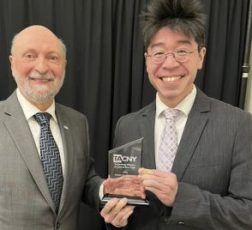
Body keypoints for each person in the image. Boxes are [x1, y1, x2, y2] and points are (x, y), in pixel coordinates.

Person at [0, 25, 130, 229]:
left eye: (52, 57)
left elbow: (83, 180)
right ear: (12, 63)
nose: (42, 67)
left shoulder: (77, 122)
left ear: (64, 65)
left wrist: (104, 190)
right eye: (30, 56)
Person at [106, 0, 252, 229]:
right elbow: (124, 203)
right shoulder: (127, 126)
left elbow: (247, 213)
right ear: (147, 60)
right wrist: (116, 220)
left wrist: (181, 197)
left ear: (201, 56)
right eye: (159, 52)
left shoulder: (238, 125)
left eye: (182, 51)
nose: (170, 63)